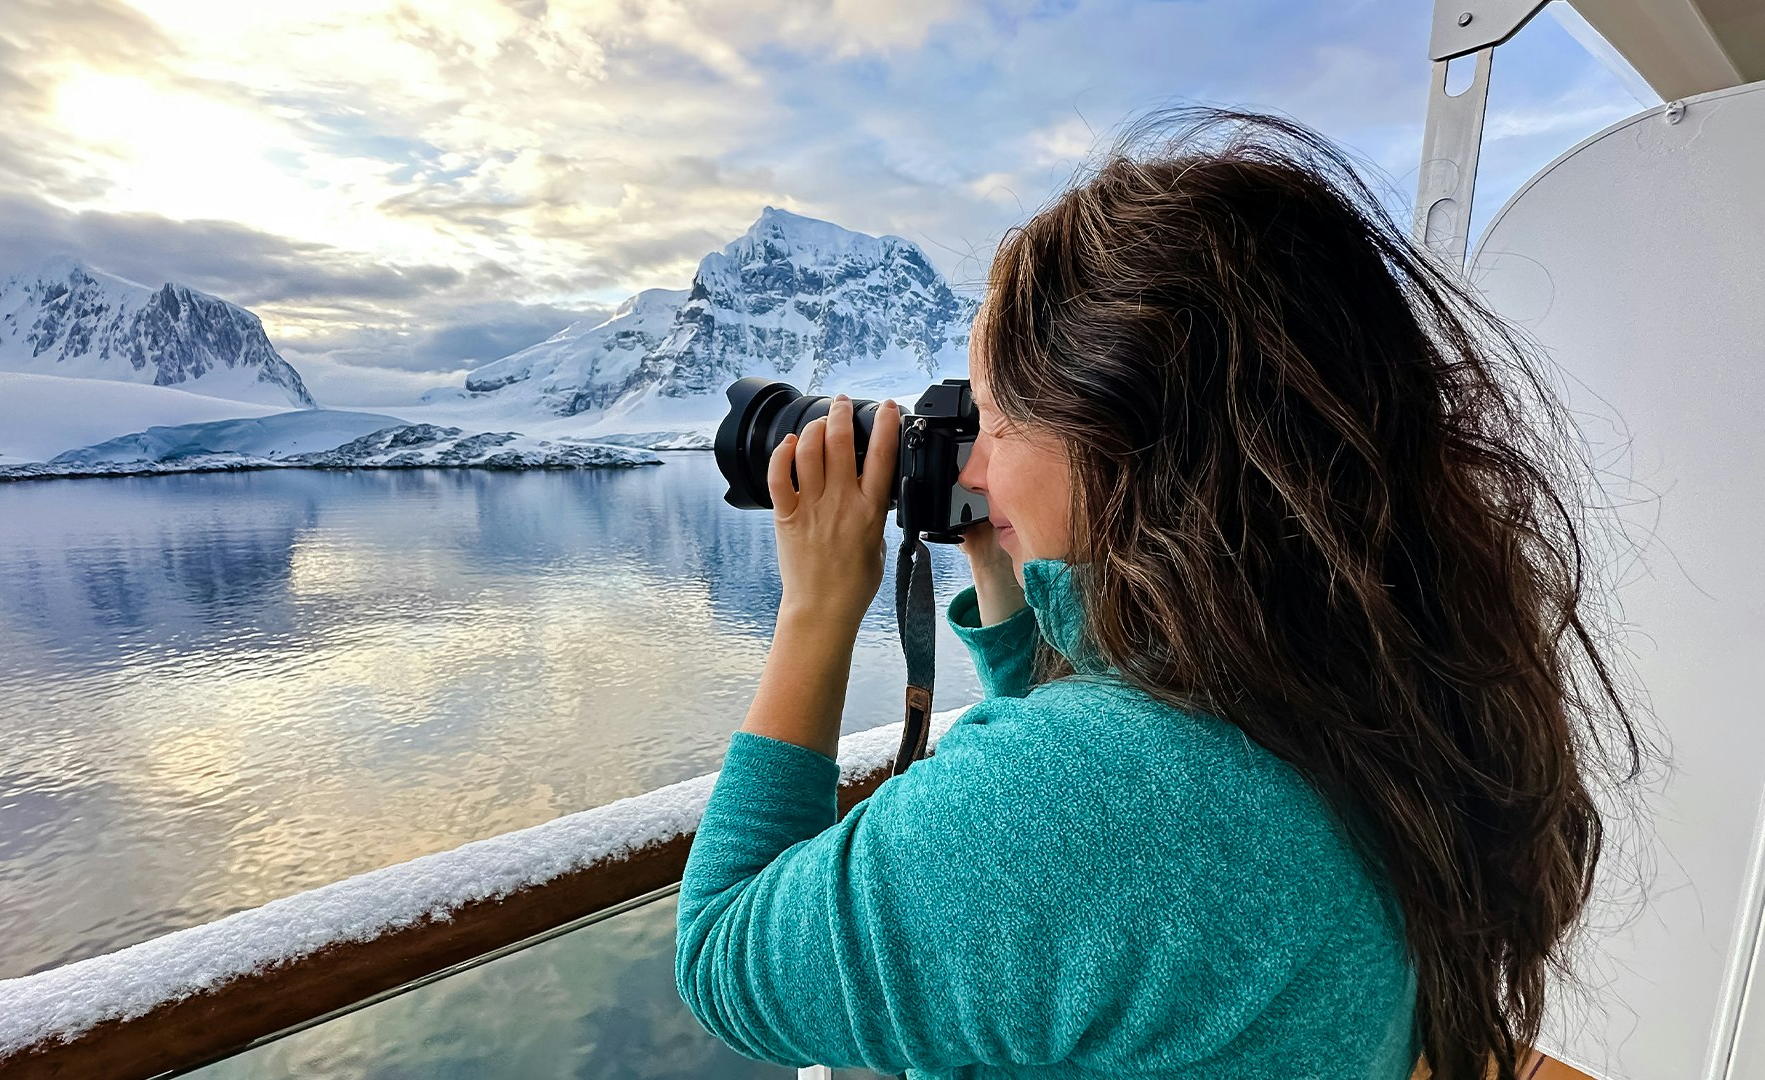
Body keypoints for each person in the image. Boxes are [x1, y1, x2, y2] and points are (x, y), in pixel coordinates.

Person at [674, 106, 1650, 1080]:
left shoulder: (1085, 796)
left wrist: (815, 608)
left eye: (999, 423)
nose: (978, 465)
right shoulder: (1350, 682)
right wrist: (1002, 557)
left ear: (1113, 450)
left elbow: (724, 954)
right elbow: (1101, 790)